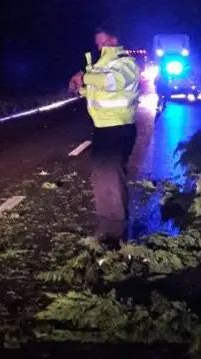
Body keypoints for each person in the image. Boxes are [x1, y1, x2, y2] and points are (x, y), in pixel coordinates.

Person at [68, 25, 141, 249]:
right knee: (101, 180)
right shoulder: (101, 65)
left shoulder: (126, 63)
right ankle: (105, 226)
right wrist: (79, 88)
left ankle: (116, 233)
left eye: (103, 41)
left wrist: (86, 77)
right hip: (102, 128)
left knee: (112, 179)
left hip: (117, 128)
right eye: (97, 43)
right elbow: (98, 90)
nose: (99, 46)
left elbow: (113, 82)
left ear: (114, 39)